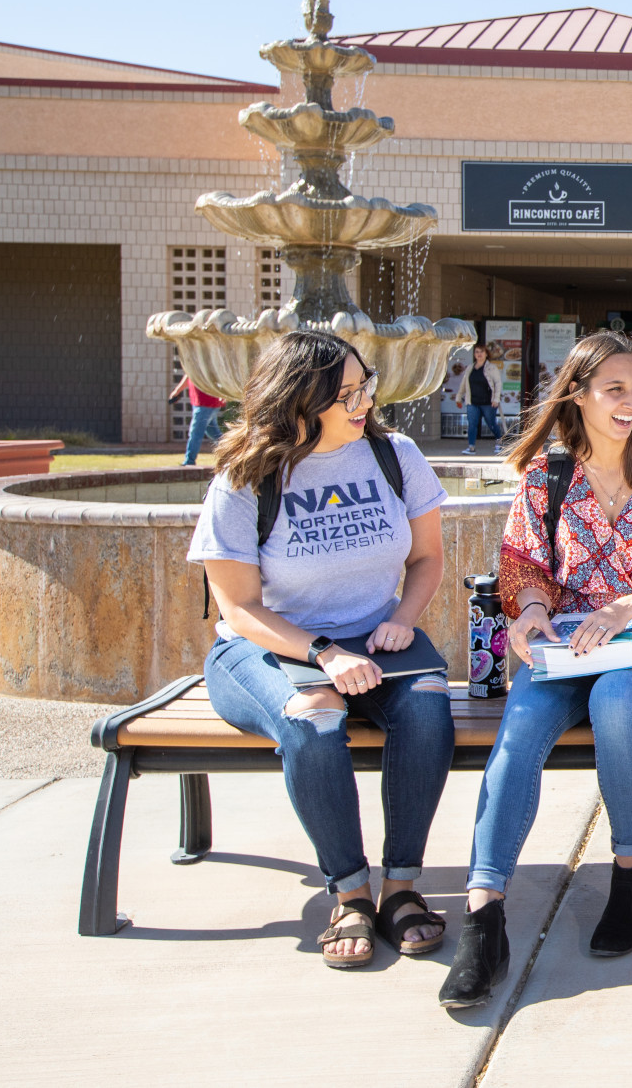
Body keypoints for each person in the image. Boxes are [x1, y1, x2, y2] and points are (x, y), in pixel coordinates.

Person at [438, 331, 632, 1009]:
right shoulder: (548, 474)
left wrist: (626, 607)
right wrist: (531, 612)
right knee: (522, 721)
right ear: (581, 395)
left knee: (616, 701)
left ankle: (630, 873)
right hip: (566, 648)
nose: (631, 402)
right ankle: (484, 917)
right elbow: (525, 567)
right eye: (614, 389)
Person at [189, 330, 454, 970]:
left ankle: (401, 888)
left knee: (427, 707)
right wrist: (326, 654)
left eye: (367, 386)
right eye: (346, 394)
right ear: (299, 403)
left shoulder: (396, 456)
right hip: (265, 648)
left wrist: (403, 618)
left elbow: (427, 558)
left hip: (377, 644)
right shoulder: (246, 477)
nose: (364, 402)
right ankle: (350, 893)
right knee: (314, 717)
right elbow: (240, 609)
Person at [454, 344, 505, 455]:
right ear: (474, 354)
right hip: (472, 402)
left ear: (486, 354)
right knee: (472, 424)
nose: (479, 354)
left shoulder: (492, 368)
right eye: (477, 352)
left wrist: (496, 399)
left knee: (491, 423)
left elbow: (497, 383)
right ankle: (471, 447)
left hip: (488, 402)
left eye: (481, 352)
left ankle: (499, 443)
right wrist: (459, 397)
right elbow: (464, 384)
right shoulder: (470, 368)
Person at [169, 373, 225, 466]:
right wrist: (177, 391)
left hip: (206, 402)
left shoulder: (202, 361)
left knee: (195, 433)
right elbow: (188, 375)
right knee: (213, 433)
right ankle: (233, 452)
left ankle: (189, 461)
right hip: (202, 402)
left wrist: (177, 391)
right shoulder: (193, 363)